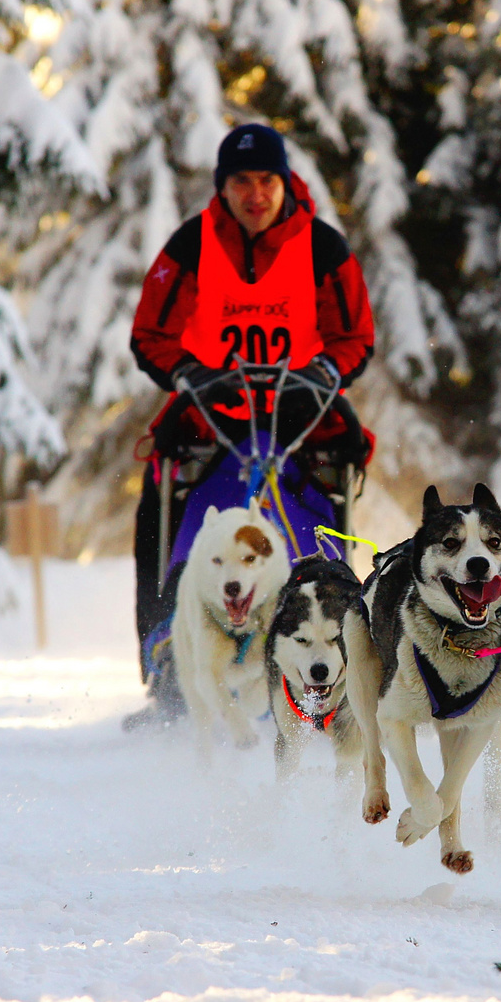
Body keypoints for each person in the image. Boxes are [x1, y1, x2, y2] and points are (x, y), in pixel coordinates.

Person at [125, 123, 376, 727]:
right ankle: (168, 659)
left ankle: (330, 658)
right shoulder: (192, 245)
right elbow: (149, 334)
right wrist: (189, 370)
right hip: (211, 415)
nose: (256, 194)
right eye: (242, 181)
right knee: (160, 505)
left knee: (320, 512)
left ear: (285, 182)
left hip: (302, 415)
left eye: (267, 180)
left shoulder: (322, 248)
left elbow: (355, 337)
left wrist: (324, 369)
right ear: (223, 186)